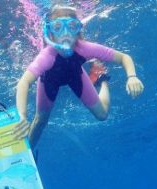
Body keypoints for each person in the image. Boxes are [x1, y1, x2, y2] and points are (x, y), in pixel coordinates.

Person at [13, 4, 145, 146]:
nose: (65, 33)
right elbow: (24, 82)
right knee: (40, 120)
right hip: (49, 81)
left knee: (102, 115)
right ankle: (29, 153)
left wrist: (132, 76)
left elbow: (124, 57)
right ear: (50, 33)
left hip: (76, 75)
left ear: (78, 30)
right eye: (58, 27)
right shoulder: (47, 56)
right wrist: (22, 115)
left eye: (71, 26)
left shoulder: (85, 48)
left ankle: (101, 79)